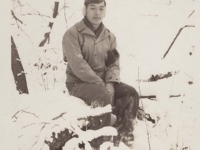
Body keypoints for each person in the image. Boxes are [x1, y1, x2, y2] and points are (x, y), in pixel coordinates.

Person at [62, 0, 139, 148]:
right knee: (102, 95)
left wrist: (110, 83)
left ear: (105, 11)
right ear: (84, 10)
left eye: (101, 9)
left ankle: (123, 139)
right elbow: (78, 65)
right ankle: (99, 142)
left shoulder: (109, 36)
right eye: (93, 8)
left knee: (130, 93)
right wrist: (101, 84)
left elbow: (113, 63)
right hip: (78, 83)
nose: (97, 13)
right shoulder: (72, 34)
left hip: (104, 82)